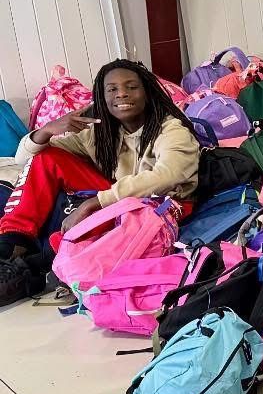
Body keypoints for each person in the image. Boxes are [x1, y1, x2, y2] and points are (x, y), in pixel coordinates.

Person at [0, 61, 200, 274]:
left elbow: (167, 175)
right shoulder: (101, 134)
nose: (121, 94)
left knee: (116, 215)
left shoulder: (172, 130)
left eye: (132, 87)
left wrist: (95, 202)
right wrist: (47, 130)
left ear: (148, 93)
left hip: (164, 205)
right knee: (47, 158)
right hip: (122, 199)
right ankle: (13, 241)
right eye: (112, 89)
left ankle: (36, 265)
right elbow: (24, 160)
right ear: (102, 99)